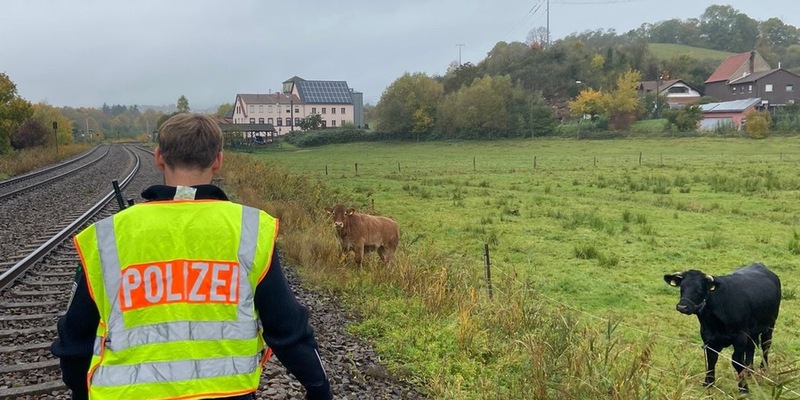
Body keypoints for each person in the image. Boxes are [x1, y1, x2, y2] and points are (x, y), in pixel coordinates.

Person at [51, 113, 332, 400]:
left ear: (158, 157)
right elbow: (287, 329)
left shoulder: (108, 236)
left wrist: (80, 390)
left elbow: (75, 340)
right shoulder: (250, 230)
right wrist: (318, 387)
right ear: (218, 160)